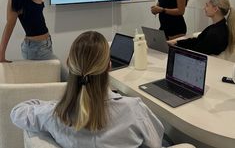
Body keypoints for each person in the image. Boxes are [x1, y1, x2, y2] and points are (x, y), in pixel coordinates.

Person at [10, 31, 164, 148]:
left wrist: (56, 105)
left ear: (69, 64)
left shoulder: (54, 116)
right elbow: (156, 141)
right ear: (109, 67)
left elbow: (17, 112)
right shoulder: (134, 110)